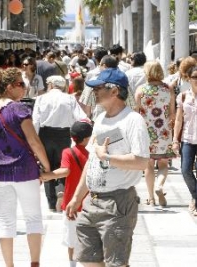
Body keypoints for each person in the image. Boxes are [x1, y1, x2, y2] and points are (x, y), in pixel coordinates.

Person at [66, 68, 150, 267]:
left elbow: (141, 161)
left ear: (115, 91)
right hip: (92, 202)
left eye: (99, 87)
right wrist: (77, 197)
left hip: (117, 203)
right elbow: (92, 161)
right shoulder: (101, 118)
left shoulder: (133, 120)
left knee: (116, 263)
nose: (94, 91)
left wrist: (108, 158)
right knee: (87, 259)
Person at [0, 67, 50, 267]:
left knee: (6, 221)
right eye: (20, 84)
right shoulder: (20, 110)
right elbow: (34, 141)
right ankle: (34, 262)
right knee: (33, 217)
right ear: (9, 87)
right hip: (25, 170)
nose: (25, 88)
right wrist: (46, 166)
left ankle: (9, 265)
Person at [40, 120, 93, 267]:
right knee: (88, 237)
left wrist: (46, 176)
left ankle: (72, 264)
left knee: (71, 238)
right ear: (88, 138)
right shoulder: (91, 155)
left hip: (71, 203)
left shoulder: (68, 152)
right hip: (88, 203)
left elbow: (65, 171)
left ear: (71, 137)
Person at [32, 75, 87, 212]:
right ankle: (61, 190)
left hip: (45, 135)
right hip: (63, 135)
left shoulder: (41, 99)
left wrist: (34, 142)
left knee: (47, 166)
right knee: (63, 165)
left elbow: (35, 121)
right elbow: (81, 118)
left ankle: (51, 202)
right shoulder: (69, 99)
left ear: (50, 84)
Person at [135, 61, 176, 206]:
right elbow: (172, 114)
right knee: (164, 163)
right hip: (164, 132)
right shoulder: (168, 89)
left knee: (149, 165)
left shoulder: (141, 90)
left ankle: (151, 197)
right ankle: (160, 186)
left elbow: (135, 113)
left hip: (146, 133)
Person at [172, 65, 197, 216]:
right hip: (188, 138)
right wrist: (175, 139)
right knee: (185, 170)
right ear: (188, 78)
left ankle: (195, 199)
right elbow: (179, 120)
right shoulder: (182, 96)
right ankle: (195, 195)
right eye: (195, 77)